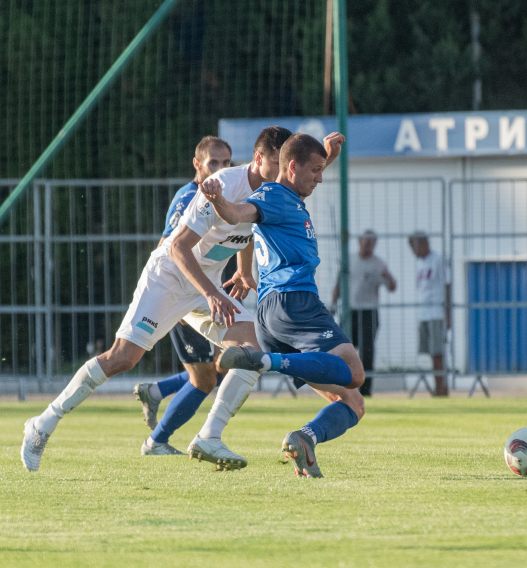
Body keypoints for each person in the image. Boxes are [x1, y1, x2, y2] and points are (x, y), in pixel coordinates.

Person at [21, 126, 342, 472]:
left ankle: (209, 436)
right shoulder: (221, 186)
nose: (284, 174)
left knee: (252, 353)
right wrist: (209, 292)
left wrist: (244, 271)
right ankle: (42, 423)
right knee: (123, 358)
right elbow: (177, 247)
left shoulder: (271, 191)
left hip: (205, 287)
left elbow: (248, 230)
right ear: (260, 158)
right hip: (170, 278)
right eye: (279, 165)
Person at [200, 133, 366, 479]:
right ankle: (264, 360)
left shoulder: (286, 193)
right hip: (295, 302)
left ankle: (304, 439)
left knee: (352, 402)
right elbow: (238, 213)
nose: (320, 177)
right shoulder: (273, 197)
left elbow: (298, 178)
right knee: (353, 371)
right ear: (292, 167)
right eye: (316, 170)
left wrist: (327, 156)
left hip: (271, 312)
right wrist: (218, 202)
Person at [133, 135, 233, 455]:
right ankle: (157, 441)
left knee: (228, 362)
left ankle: (156, 392)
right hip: (185, 297)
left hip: (204, 294)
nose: (220, 170)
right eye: (213, 163)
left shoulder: (220, 196)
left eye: (226, 164)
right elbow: (170, 248)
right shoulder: (189, 197)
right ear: (197, 164)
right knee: (206, 379)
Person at [331, 229, 397, 396]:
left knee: (367, 352)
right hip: (350, 311)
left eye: (371, 242)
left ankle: (366, 390)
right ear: (359, 241)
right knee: (343, 349)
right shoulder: (350, 260)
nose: (368, 245)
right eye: (365, 241)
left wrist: (389, 277)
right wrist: (333, 304)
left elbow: (392, 287)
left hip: (369, 312)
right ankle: (343, 387)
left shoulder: (379, 264)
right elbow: (339, 283)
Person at [408, 231, 451, 397]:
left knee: (438, 353)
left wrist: (448, 314)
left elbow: (447, 285)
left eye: (414, 246)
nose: (413, 251)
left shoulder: (439, 260)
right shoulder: (420, 263)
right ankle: (437, 387)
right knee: (431, 354)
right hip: (424, 313)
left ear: (424, 244)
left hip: (437, 313)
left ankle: (442, 388)